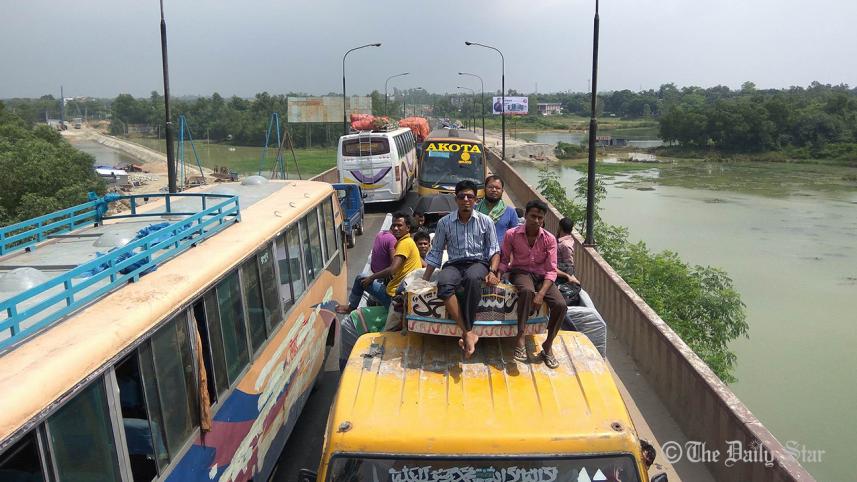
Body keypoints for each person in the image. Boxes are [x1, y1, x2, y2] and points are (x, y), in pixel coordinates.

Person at [423, 180, 500, 358]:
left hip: (478, 263)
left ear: (476, 200)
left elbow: (494, 250)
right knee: (444, 283)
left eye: (470, 197)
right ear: (456, 199)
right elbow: (436, 252)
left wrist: (492, 271)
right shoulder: (444, 223)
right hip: (454, 263)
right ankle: (468, 332)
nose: (466, 200)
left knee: (472, 279)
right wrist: (425, 279)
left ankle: (467, 332)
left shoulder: (486, 221)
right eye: (462, 196)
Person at [499, 200, 567, 369]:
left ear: (543, 220)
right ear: (526, 216)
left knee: (560, 305)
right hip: (520, 272)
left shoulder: (550, 239)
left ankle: (548, 345)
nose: (536, 220)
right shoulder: (511, 234)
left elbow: (551, 270)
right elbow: (505, 259)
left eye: (540, 218)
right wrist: (498, 275)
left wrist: (542, 294)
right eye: (533, 216)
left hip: (541, 276)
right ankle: (520, 337)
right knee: (527, 291)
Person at [337, 212, 423, 313]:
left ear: (408, 228)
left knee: (360, 279)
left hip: (393, 297)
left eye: (399, 225)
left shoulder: (404, 243)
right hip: (402, 292)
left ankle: (351, 307)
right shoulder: (408, 242)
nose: (395, 228)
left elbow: (392, 269)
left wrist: (372, 277)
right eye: (394, 225)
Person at [475, 175, 519, 244]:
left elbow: (516, 236)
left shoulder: (510, 212)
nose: (494, 190)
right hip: (477, 251)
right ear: (484, 189)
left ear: (502, 191)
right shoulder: (475, 209)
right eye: (490, 187)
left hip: (501, 252)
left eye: (498, 188)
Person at [556, 217, 580, 285]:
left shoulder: (565, 245)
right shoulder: (566, 240)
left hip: (561, 270)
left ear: (560, 227)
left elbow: (568, 264)